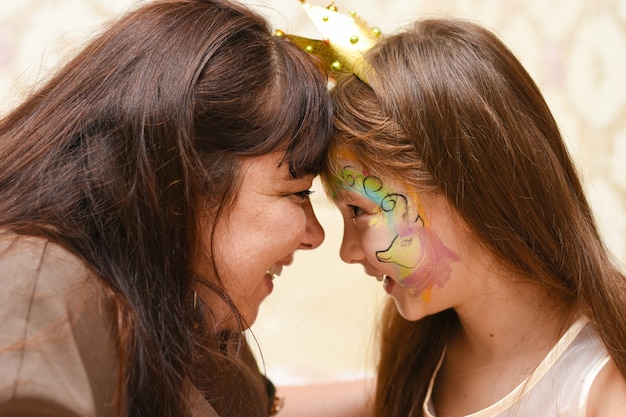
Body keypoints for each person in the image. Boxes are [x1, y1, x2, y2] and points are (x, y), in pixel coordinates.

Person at [0, 0, 332, 415]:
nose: (315, 236)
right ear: (180, 178)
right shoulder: (31, 284)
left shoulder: (187, 302)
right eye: (298, 193)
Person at [321, 17, 626, 417]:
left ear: (467, 188)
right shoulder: (423, 358)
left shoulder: (603, 392)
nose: (347, 252)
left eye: (359, 210)